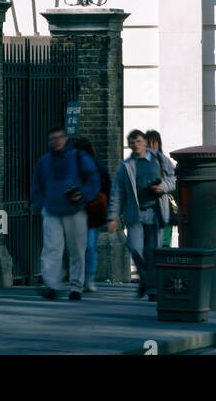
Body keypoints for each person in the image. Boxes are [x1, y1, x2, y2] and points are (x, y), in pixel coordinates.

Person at [31, 125, 100, 301]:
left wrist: (83, 194)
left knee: (77, 249)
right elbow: (37, 185)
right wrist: (40, 205)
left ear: (65, 138)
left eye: (59, 137)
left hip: (74, 209)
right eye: (52, 139)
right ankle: (52, 285)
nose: (56, 141)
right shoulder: (44, 161)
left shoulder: (79, 157)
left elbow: (93, 179)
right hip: (52, 209)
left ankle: (76, 286)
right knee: (51, 248)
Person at [107, 128, 175, 301]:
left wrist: (163, 187)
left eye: (138, 141)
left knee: (153, 252)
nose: (135, 145)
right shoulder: (126, 166)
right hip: (135, 213)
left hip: (156, 211)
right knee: (135, 248)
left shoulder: (159, 159)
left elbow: (175, 178)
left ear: (145, 142)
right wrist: (113, 216)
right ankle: (146, 280)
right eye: (131, 142)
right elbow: (117, 192)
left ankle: (152, 289)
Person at [73, 136, 110, 293]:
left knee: (84, 246)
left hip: (86, 210)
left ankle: (84, 278)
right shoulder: (99, 166)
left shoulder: (80, 167)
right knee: (89, 247)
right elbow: (108, 189)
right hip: (92, 211)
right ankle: (87, 278)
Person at [146, 131, 177, 248]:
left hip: (163, 207)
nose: (152, 146)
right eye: (149, 143)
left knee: (164, 244)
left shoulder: (163, 160)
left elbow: (175, 179)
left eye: (154, 143)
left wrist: (162, 187)